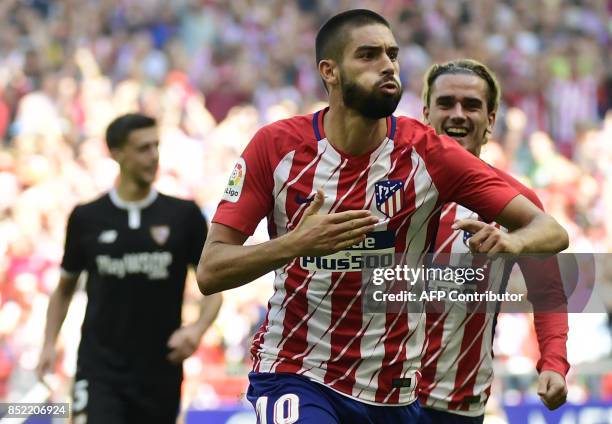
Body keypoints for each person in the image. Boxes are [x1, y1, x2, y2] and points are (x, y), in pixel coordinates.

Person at [197, 9, 568, 424]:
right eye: (369, 55)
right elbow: (210, 270)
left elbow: (552, 259)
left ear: (491, 120)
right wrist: (297, 243)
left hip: (413, 396)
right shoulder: (277, 147)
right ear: (330, 71)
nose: (388, 65)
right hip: (298, 373)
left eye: (392, 54)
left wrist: (553, 359)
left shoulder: (440, 164)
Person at [36, 113, 222, 424]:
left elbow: (214, 288)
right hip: (100, 369)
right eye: (143, 148)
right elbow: (64, 289)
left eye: (156, 146)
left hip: (160, 370)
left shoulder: (184, 216)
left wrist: (197, 329)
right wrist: (47, 345)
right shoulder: (86, 218)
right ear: (117, 153)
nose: (153, 156)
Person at [417, 59, 569, 424]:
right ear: (426, 114)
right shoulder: (390, 188)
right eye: (446, 103)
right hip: (378, 396)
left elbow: (548, 292)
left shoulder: (518, 205)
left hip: (456, 404)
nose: (458, 115)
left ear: (490, 119)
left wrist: (553, 362)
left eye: (471, 105)